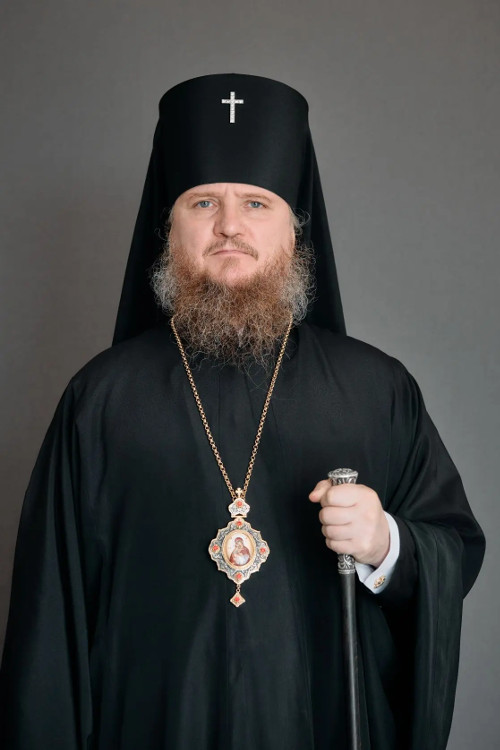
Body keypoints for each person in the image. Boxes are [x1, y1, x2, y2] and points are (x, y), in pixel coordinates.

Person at [0, 74, 485, 750]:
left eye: (257, 203)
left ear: (295, 227)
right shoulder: (100, 401)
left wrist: (385, 544)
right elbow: (48, 629)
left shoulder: (377, 390)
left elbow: (454, 549)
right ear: (169, 227)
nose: (230, 225)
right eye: (203, 202)